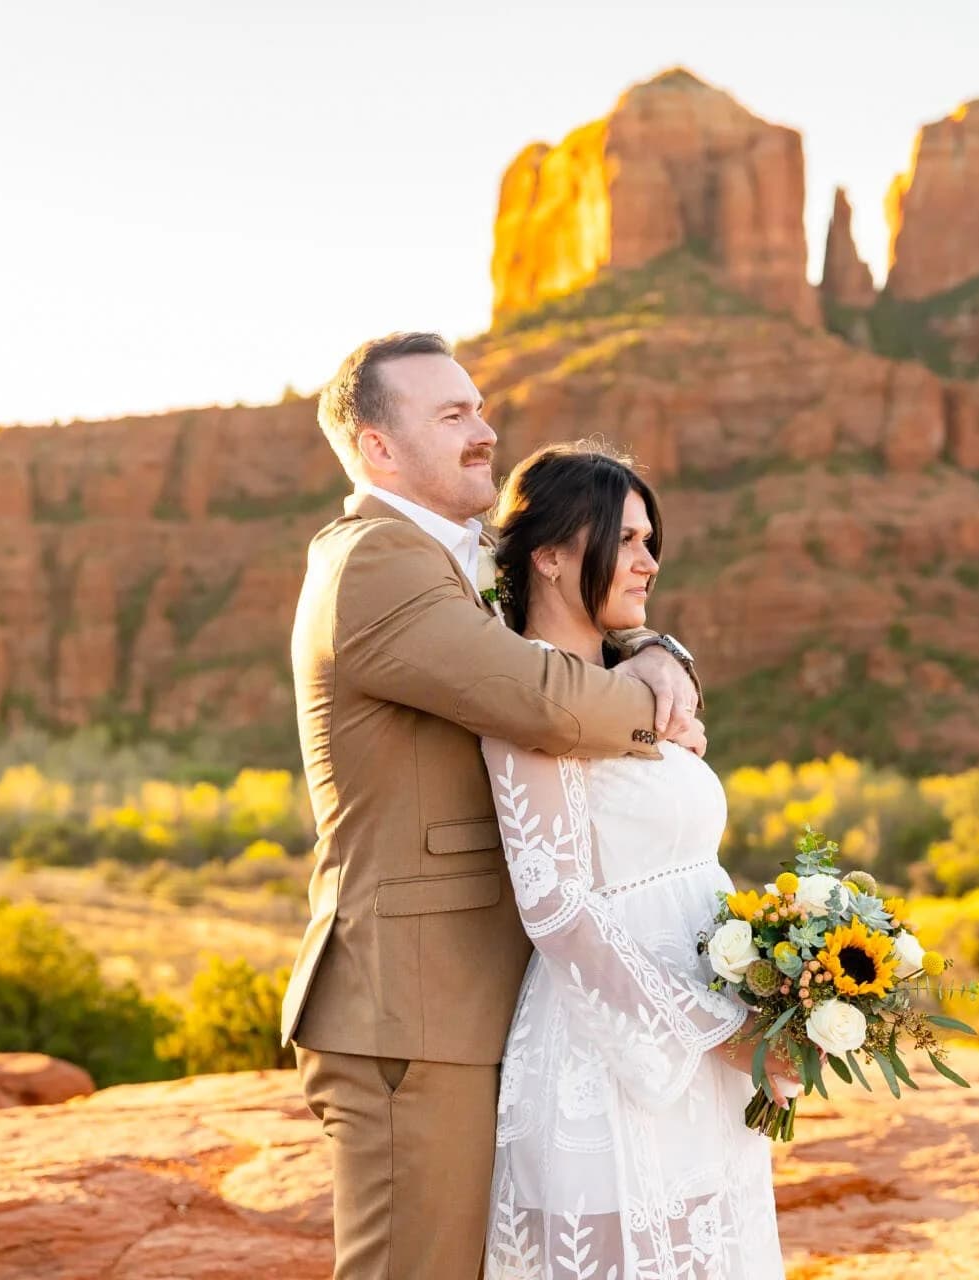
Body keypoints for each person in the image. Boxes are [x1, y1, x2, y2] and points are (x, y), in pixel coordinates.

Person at [283, 331, 705, 1278]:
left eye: (478, 408)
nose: (485, 431)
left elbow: (575, 623)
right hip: (412, 1009)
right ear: (377, 445)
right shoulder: (375, 562)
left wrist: (654, 647)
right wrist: (660, 709)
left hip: (484, 1005)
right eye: (451, 416)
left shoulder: (457, 564)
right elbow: (543, 698)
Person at [479, 442, 788, 1279]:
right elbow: (554, 901)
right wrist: (721, 1031)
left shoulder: (635, 681)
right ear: (548, 554)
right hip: (611, 1056)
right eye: (625, 540)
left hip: (705, 1050)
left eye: (651, 541)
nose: (649, 562)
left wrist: (773, 995)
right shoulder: (526, 695)